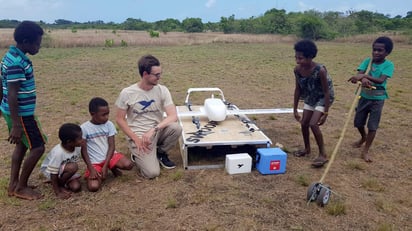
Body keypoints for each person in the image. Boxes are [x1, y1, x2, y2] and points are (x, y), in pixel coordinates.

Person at [115, 54, 182, 179]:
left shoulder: (162, 90)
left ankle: (160, 153)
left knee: (176, 128)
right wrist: (135, 138)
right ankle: (136, 155)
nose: (159, 77)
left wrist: (154, 129)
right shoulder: (127, 93)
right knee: (152, 173)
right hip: (139, 136)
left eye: (160, 73)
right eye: (156, 75)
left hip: (156, 131)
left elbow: (173, 115)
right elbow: (119, 119)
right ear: (145, 74)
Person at [0, 21, 46, 200]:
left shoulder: (9, 56)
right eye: (37, 43)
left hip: (13, 112)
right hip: (22, 115)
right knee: (38, 147)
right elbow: (12, 94)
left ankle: (13, 185)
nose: (39, 47)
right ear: (26, 42)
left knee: (22, 145)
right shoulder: (17, 63)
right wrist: (17, 125)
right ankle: (21, 187)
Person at [348, 36, 394, 163]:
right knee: (358, 122)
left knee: (372, 126)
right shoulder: (367, 61)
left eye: (380, 50)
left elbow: (380, 80)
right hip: (364, 96)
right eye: (374, 49)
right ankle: (363, 137)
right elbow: (360, 74)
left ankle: (366, 150)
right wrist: (362, 79)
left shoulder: (388, 65)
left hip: (377, 99)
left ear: (387, 52)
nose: (376, 53)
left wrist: (363, 76)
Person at [292, 39, 335, 168]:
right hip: (311, 96)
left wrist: (325, 112)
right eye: (296, 58)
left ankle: (323, 154)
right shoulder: (297, 70)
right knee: (304, 123)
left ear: (310, 57)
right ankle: (307, 149)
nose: (298, 61)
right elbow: (298, 89)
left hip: (323, 98)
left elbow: (327, 92)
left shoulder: (320, 70)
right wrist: (294, 109)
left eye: (301, 58)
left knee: (313, 123)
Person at [81, 97, 134, 192]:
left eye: (108, 113)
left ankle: (111, 167)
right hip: (95, 162)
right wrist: (91, 169)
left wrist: (105, 166)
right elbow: (83, 151)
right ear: (92, 114)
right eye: (103, 115)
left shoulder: (109, 125)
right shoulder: (84, 128)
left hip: (110, 156)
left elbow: (112, 146)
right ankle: (97, 171)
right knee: (93, 187)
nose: (106, 117)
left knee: (128, 165)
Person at [40, 123, 83, 199]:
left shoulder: (77, 146)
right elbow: (53, 172)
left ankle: (60, 181)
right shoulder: (58, 153)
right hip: (51, 171)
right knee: (73, 167)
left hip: (64, 170)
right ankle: (59, 185)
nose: (82, 140)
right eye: (80, 138)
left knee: (76, 187)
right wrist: (58, 192)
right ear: (69, 142)